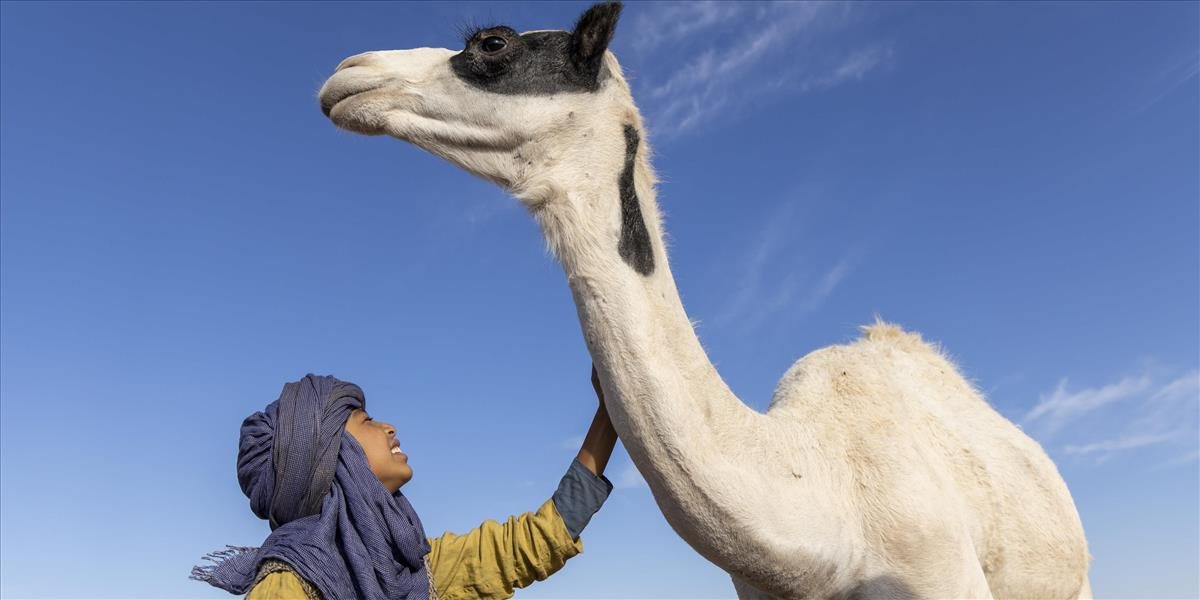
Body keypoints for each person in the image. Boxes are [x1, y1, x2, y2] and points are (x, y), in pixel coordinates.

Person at [192, 369, 617, 600]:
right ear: (336, 459)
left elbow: (531, 543)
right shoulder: (287, 588)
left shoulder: (414, 571)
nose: (389, 427)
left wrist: (609, 416)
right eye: (366, 422)